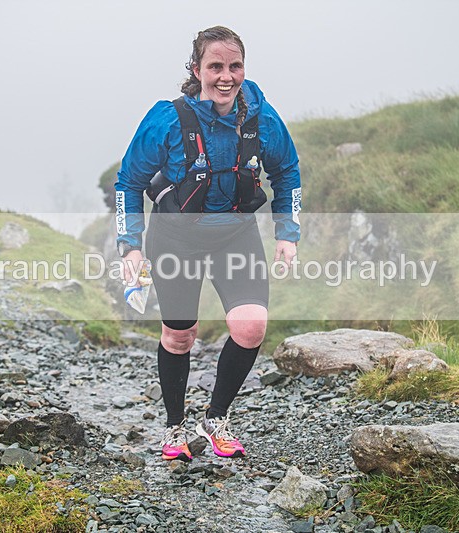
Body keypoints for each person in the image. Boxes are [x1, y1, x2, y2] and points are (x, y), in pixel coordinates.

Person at [114, 26, 301, 461]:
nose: (226, 76)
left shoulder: (261, 117)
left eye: (234, 66)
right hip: (175, 237)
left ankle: (216, 418)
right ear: (196, 69)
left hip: (235, 233)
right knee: (181, 336)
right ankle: (174, 427)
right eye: (215, 66)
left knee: (251, 327)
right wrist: (131, 246)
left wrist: (287, 233)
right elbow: (129, 182)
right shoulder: (168, 118)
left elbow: (287, 172)